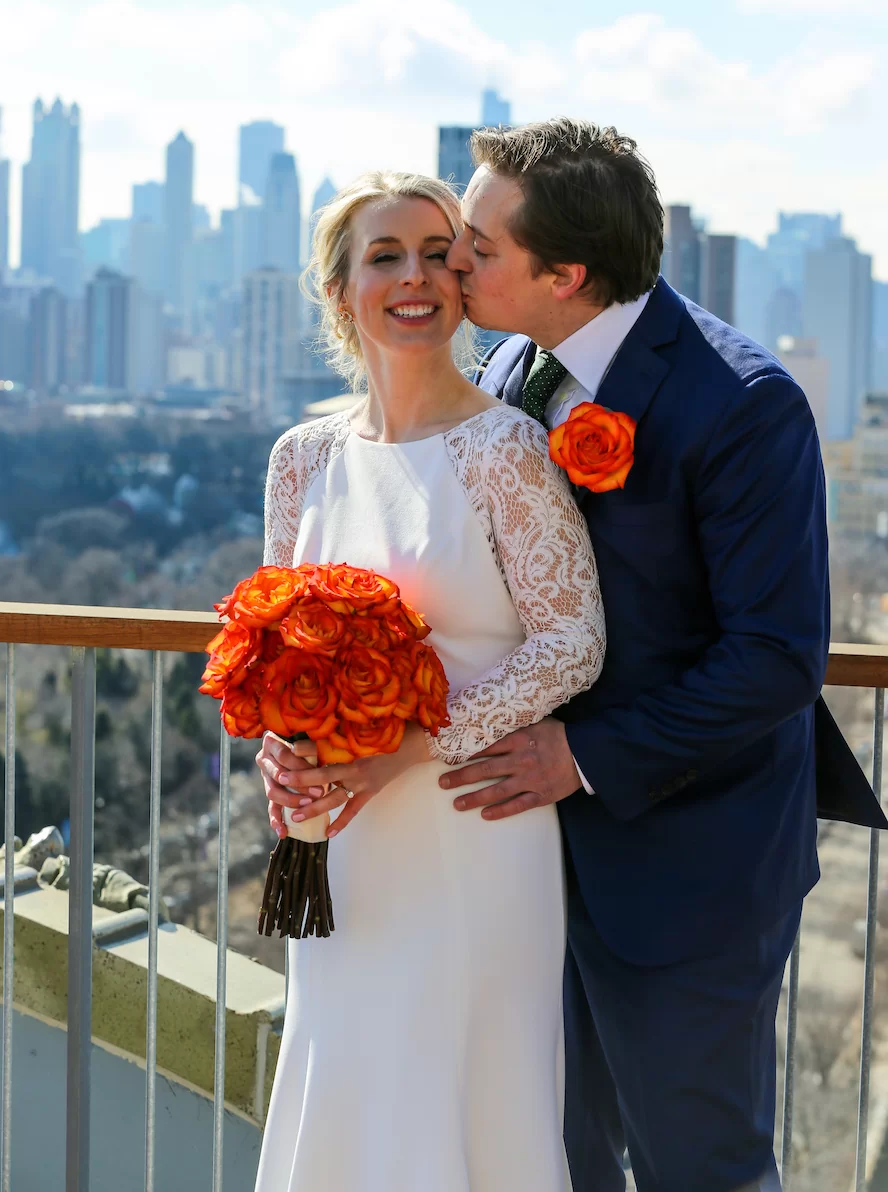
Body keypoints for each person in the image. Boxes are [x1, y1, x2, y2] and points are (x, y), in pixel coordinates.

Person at [435, 117, 834, 1192]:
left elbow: (777, 657)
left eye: (478, 246)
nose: (452, 259)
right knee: (549, 1151)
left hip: (691, 863)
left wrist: (583, 757)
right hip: (530, 858)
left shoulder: (745, 406)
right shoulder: (513, 364)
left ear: (566, 273)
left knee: (697, 1163)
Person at [253, 169, 604, 1192]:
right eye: (383, 255)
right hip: (344, 852)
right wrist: (281, 746)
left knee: (461, 1101)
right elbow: (274, 647)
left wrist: (406, 751)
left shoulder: (507, 449)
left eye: (437, 255)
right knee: (349, 1086)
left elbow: (572, 643)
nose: (416, 277)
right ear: (338, 290)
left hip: (471, 828)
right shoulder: (301, 458)